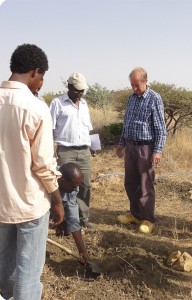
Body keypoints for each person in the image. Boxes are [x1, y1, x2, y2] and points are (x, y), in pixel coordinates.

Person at [0, 44, 64, 300]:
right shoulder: (36, 108)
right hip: (29, 205)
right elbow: (44, 165)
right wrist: (57, 200)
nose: (41, 81)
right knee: (28, 272)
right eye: (41, 76)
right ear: (34, 71)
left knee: (5, 265)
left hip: (2, 205)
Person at [116, 67, 167, 234]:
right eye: (132, 85)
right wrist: (121, 143)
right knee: (131, 183)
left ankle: (148, 219)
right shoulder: (131, 98)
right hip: (130, 146)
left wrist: (157, 150)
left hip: (146, 147)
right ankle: (135, 214)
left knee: (146, 184)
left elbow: (160, 127)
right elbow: (127, 122)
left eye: (137, 85)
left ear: (145, 81)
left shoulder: (154, 98)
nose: (134, 88)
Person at [50, 73, 96, 229]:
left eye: (82, 90)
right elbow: (50, 128)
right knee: (64, 186)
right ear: (69, 87)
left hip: (84, 151)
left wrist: (92, 146)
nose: (80, 93)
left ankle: (83, 219)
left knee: (85, 185)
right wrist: (51, 149)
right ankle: (63, 222)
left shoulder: (83, 104)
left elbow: (87, 128)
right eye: (77, 90)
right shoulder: (58, 103)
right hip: (66, 152)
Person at [56, 163, 89, 263]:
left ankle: (61, 227)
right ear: (62, 181)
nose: (76, 188)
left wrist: (82, 251)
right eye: (74, 185)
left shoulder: (73, 187)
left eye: (78, 185)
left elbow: (73, 219)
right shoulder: (45, 179)